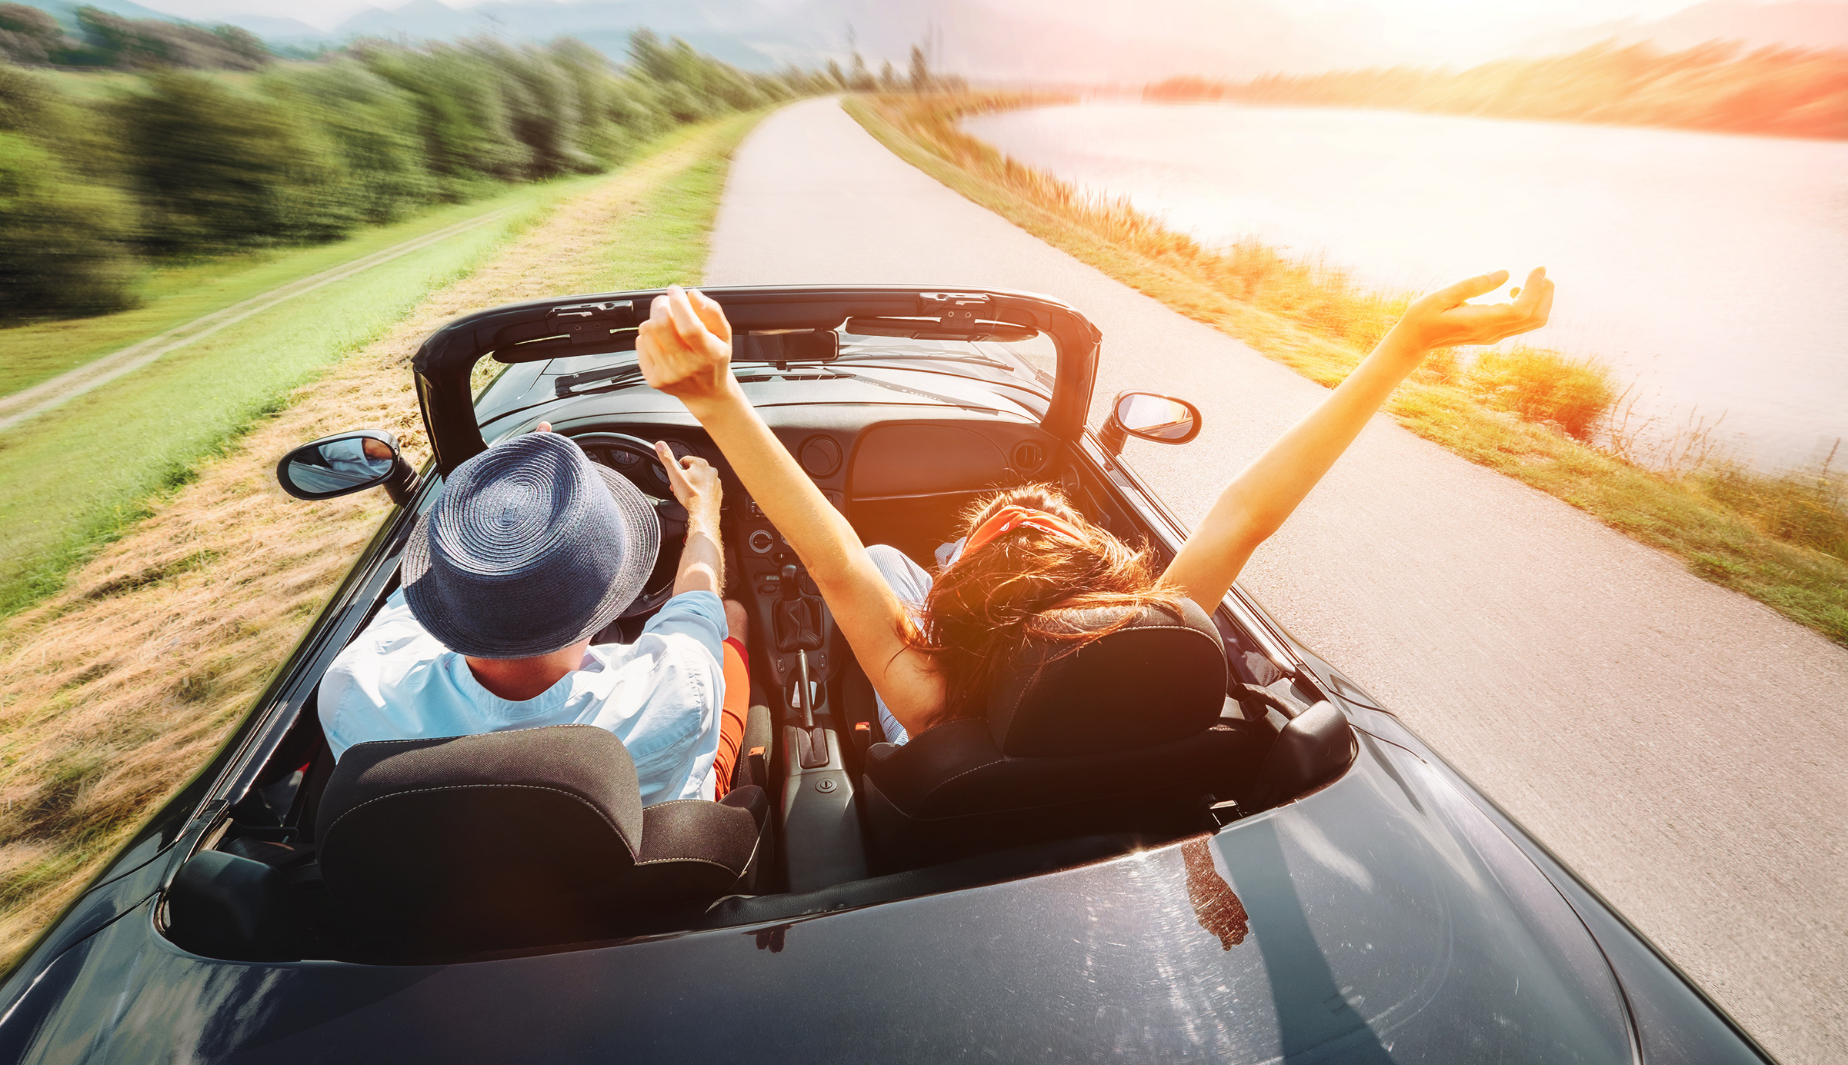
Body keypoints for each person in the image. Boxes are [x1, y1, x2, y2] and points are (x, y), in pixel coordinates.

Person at [636, 270, 1553, 744]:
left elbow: (834, 553)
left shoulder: (931, 698)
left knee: (879, 561)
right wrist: (1403, 346)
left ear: (950, 606)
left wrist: (718, 398)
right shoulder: (1161, 628)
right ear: (1107, 581)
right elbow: (1246, 513)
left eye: (962, 552)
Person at [318, 425, 754, 805]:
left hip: (465, 882)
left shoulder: (352, 689)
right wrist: (702, 510)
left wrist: (491, 508)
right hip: (651, 855)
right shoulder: (680, 684)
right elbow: (699, 602)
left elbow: (417, 593)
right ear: (613, 582)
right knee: (731, 615)